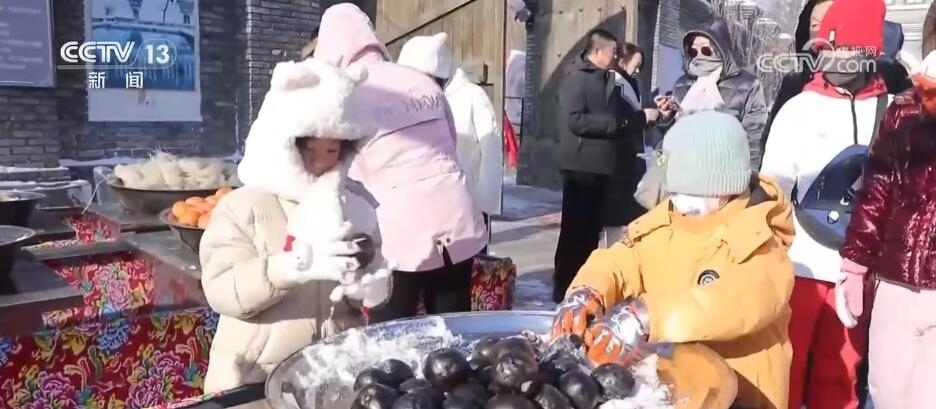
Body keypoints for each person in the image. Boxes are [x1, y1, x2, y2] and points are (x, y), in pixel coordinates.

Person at [553, 110, 794, 409]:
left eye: (692, 191)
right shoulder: (666, 222)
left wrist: (646, 315)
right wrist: (587, 291)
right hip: (675, 387)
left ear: (727, 188)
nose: (681, 200)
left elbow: (739, 301)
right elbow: (621, 259)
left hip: (745, 391)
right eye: (676, 190)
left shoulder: (760, 240)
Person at [199, 59, 391, 405]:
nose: (320, 162)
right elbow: (221, 289)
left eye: (332, 150)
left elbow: (372, 265)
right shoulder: (243, 206)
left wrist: (372, 287)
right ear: (285, 144)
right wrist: (286, 269)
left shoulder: (355, 204)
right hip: (255, 377)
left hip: (333, 373)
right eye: (309, 149)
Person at [313, 3, 487, 320]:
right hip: (455, 213)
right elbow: (450, 142)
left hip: (398, 228)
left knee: (393, 329)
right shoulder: (420, 80)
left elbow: (337, 167)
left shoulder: (345, 92)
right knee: (452, 324)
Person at [759, 0, 887, 407]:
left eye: (841, 47)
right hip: (800, 265)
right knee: (785, 370)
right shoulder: (799, 108)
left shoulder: (891, 112)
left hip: (860, 271)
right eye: (824, 49)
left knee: (841, 378)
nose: (830, 58)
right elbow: (772, 188)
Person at [840, 50, 936, 409]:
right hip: (894, 279)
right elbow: (876, 190)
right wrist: (854, 263)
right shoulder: (904, 111)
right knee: (886, 391)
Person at [553, 28, 658, 303]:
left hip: (601, 167)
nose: (615, 56)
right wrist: (615, 124)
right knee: (575, 232)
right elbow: (576, 120)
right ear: (598, 51)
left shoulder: (606, 77)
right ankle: (564, 286)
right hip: (581, 168)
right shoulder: (577, 78)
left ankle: (582, 285)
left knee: (590, 234)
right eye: (612, 51)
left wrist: (637, 118)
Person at [396, 33, 503, 249]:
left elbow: (491, 149)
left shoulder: (472, 96)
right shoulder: (407, 99)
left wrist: (484, 201)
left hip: (467, 199)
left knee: (470, 259)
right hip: (424, 203)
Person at [655, 20, 767, 170]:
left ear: (721, 49)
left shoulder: (748, 85)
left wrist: (750, 174)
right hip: (683, 170)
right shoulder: (683, 84)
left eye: (705, 50)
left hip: (724, 171)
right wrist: (666, 117)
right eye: (693, 51)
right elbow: (671, 134)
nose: (699, 56)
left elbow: (754, 136)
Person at [601, 42, 653, 246]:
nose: (638, 71)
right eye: (636, 65)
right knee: (618, 217)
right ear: (622, 61)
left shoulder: (628, 84)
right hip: (618, 159)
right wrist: (643, 117)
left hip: (629, 158)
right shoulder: (614, 83)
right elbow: (617, 121)